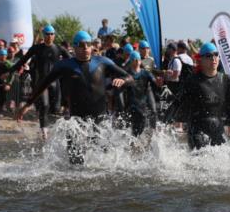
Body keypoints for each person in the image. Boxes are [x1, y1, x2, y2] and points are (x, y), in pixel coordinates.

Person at [15, 31, 133, 163]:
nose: (86, 48)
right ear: (75, 47)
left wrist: (123, 81)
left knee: (104, 161)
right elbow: (43, 85)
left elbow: (129, 77)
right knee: (75, 163)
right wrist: (27, 104)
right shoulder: (64, 65)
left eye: (88, 44)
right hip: (76, 121)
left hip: (100, 119)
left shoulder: (102, 62)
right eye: (82, 45)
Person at [9, 24, 70, 139]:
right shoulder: (37, 48)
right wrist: (10, 71)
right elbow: (22, 60)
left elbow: (72, 62)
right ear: (44, 35)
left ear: (54, 36)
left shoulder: (59, 49)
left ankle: (53, 130)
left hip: (55, 82)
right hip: (42, 83)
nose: (50, 36)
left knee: (56, 109)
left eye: (52, 34)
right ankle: (44, 132)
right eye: (47, 34)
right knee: (45, 106)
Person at [122, 51, 158, 136]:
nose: (137, 61)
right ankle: (133, 143)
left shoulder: (145, 72)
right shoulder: (127, 73)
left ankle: (152, 132)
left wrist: (158, 82)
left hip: (142, 102)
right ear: (131, 61)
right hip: (132, 103)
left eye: (138, 59)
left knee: (144, 121)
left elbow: (155, 83)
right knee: (135, 126)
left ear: (140, 61)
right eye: (134, 59)